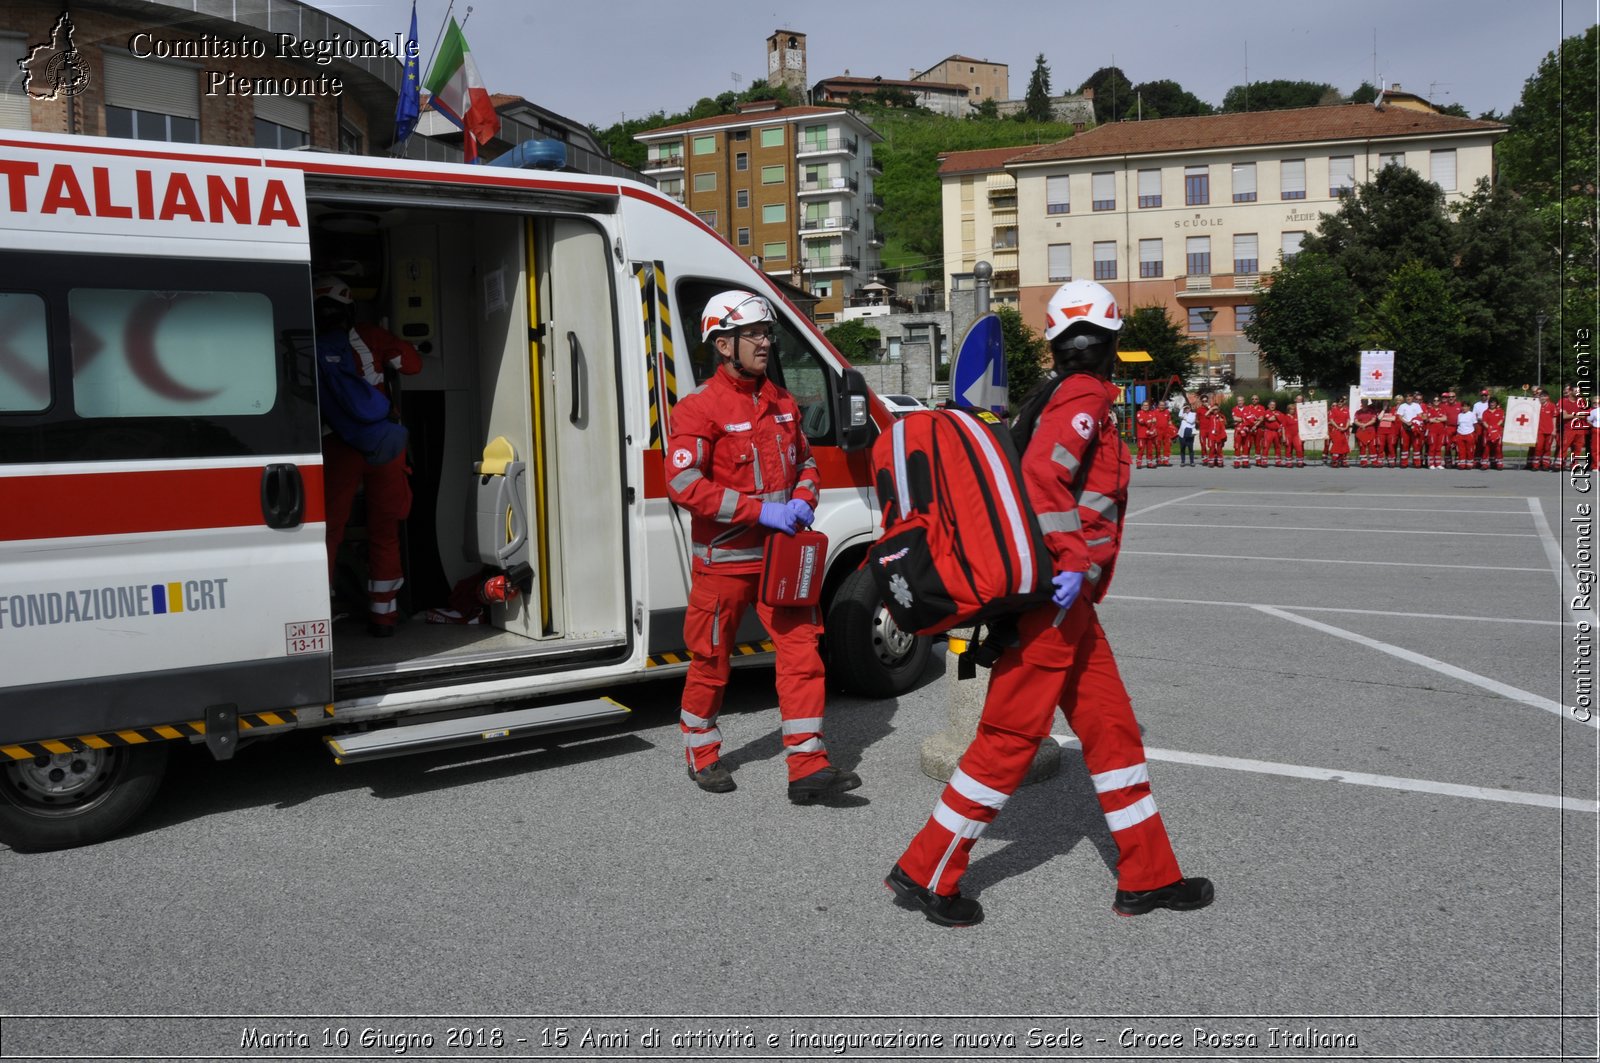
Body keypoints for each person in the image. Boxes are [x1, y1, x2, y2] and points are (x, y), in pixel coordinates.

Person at [886, 279, 1212, 928]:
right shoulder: (1085, 394)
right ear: (1107, 342)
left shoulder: (1053, 395)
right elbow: (1045, 479)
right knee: (1006, 742)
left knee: (1113, 734)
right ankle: (926, 870)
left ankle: (1149, 874)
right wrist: (1072, 561)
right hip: (1057, 603)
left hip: (1071, 606)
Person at [664, 289, 859, 804]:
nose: (765, 342)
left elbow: (808, 465)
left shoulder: (783, 401)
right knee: (711, 660)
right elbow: (684, 485)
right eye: (753, 333)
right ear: (723, 344)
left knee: (802, 654)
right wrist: (762, 511)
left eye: (767, 333)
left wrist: (800, 498)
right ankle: (700, 751)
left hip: (781, 560)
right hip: (724, 565)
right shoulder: (698, 409)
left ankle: (808, 766)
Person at [314, 274, 423, 637]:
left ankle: (320, 619)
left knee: (328, 532)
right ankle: (384, 618)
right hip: (384, 445)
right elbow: (412, 365)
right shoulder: (371, 335)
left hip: (337, 444)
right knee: (385, 529)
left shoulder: (303, 341)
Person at [1326, 397, 1351, 468]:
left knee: (1344, 445)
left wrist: (1346, 427)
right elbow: (1331, 420)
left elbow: (1348, 419)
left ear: (1343, 402)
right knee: (1336, 445)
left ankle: (1344, 461)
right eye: (1338, 401)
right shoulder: (1333, 410)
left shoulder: (1346, 410)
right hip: (1336, 430)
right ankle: (1334, 461)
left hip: (1344, 430)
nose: (1339, 403)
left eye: (1341, 401)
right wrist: (1337, 427)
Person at [1177, 402, 1198, 467]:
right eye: (1185, 408)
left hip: (1190, 432)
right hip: (1182, 433)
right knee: (1182, 448)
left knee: (1190, 448)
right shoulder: (1183, 414)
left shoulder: (1194, 414)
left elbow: (1191, 421)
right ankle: (1183, 461)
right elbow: (1179, 415)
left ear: (1190, 408)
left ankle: (1192, 462)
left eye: (1188, 408)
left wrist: (1185, 418)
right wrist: (1182, 408)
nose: (1187, 409)